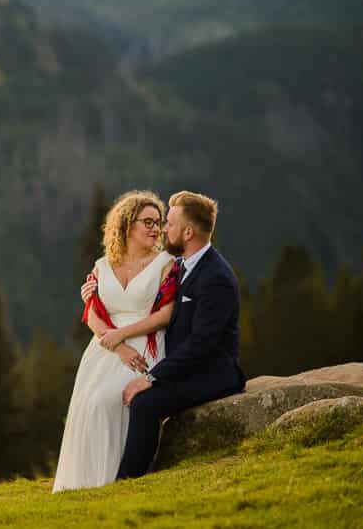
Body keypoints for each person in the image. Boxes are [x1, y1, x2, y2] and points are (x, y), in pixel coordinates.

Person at [116, 190, 245, 480]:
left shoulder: (216, 278)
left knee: (145, 404)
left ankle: (129, 481)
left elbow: (202, 345)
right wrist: (96, 289)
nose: (163, 229)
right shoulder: (182, 264)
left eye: (169, 224)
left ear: (188, 232)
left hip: (212, 373)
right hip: (187, 367)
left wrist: (151, 378)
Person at [52, 190, 176, 492]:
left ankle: (113, 479)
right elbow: (92, 314)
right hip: (105, 349)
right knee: (87, 405)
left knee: (109, 401)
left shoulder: (165, 263)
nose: (155, 228)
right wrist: (117, 345)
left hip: (145, 345)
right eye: (147, 222)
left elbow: (166, 315)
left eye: (158, 222)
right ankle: (83, 484)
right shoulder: (102, 265)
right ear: (127, 225)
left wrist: (123, 336)